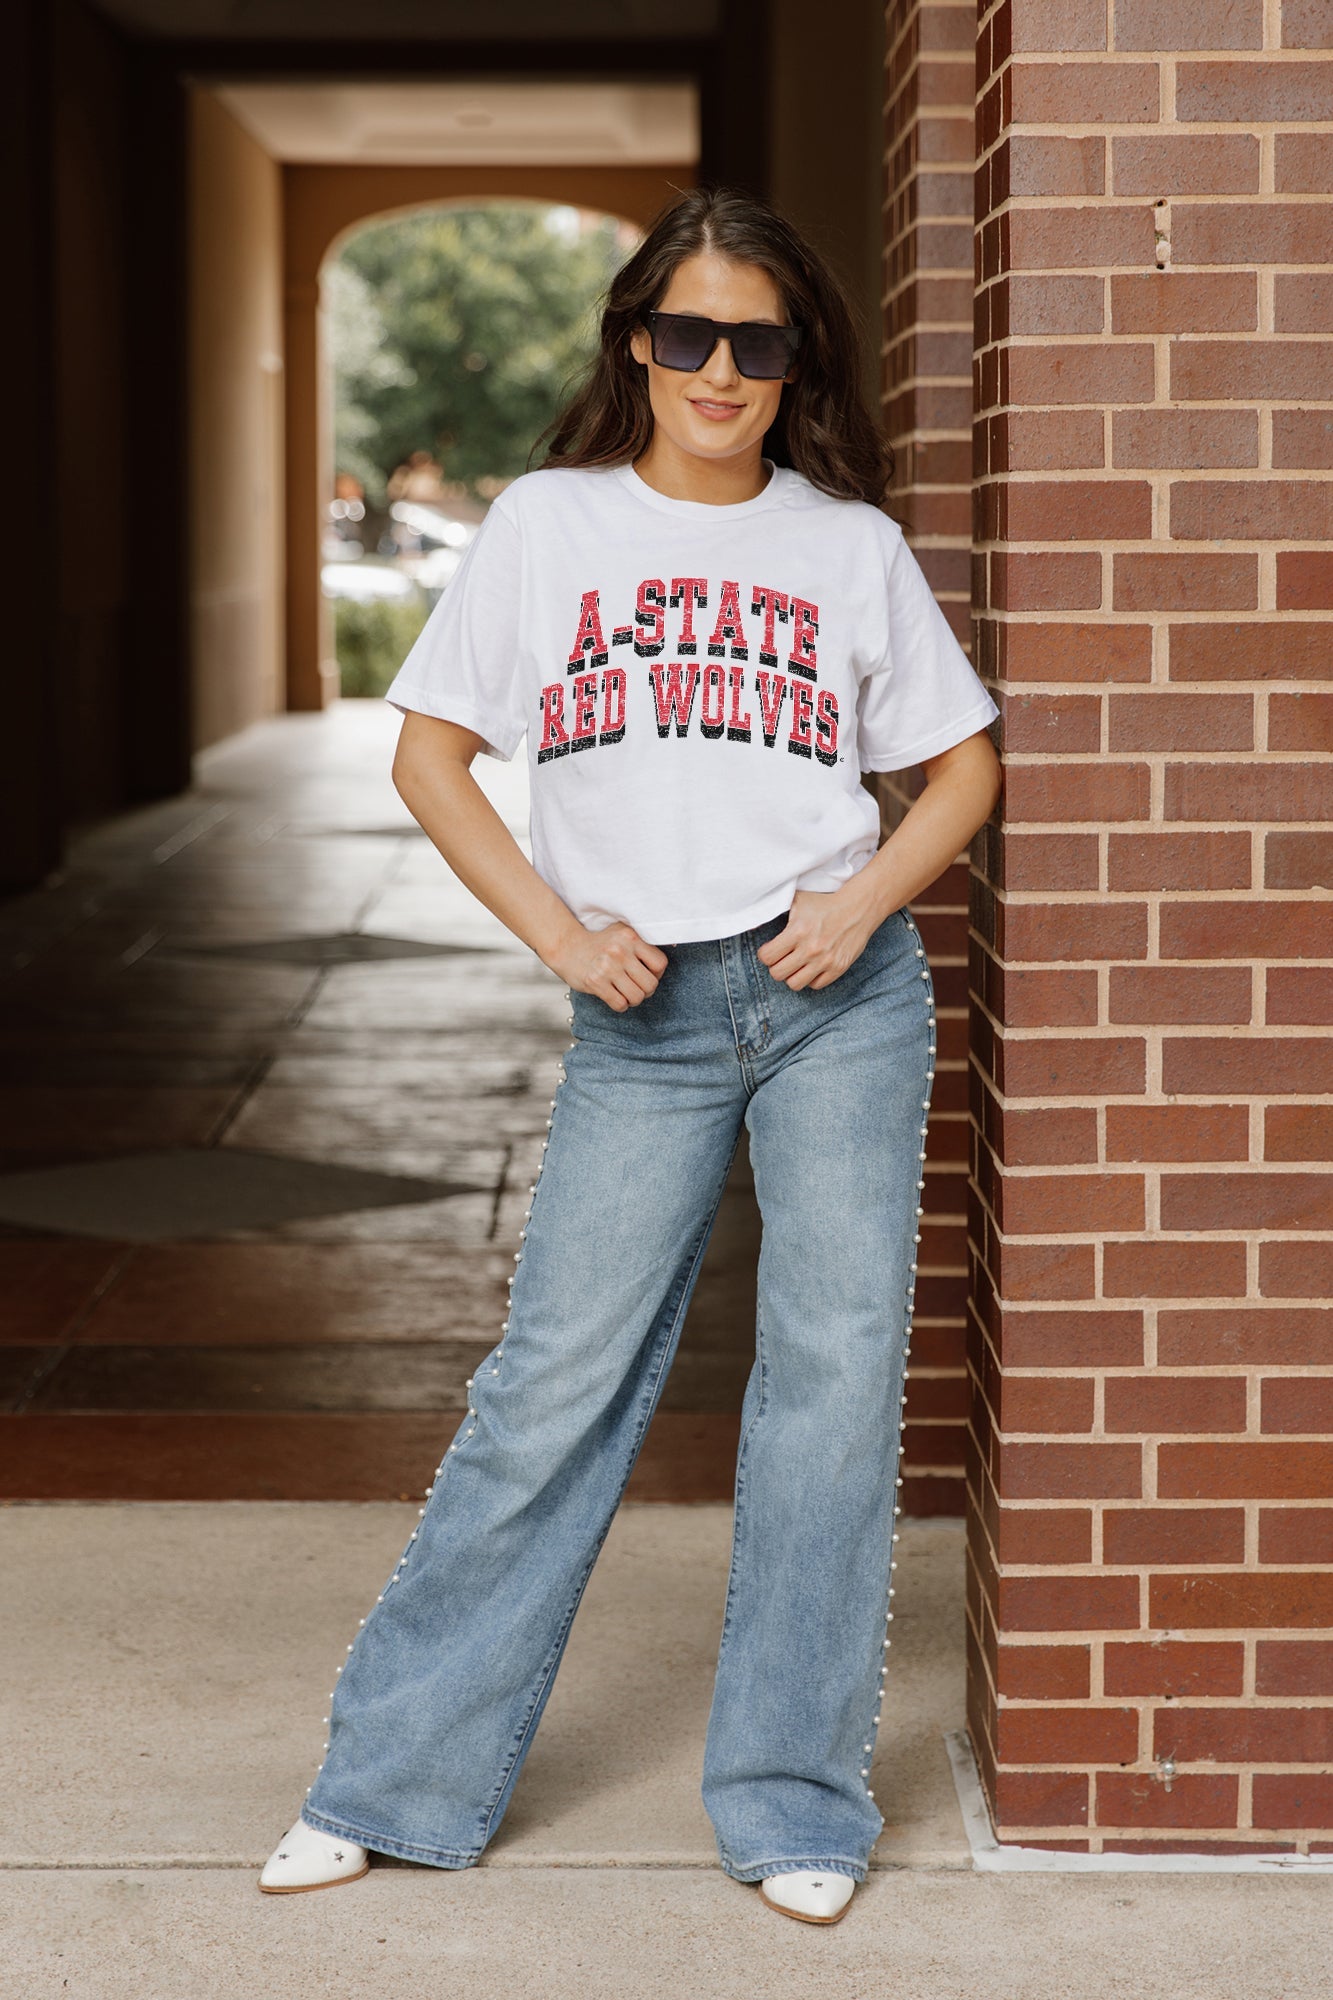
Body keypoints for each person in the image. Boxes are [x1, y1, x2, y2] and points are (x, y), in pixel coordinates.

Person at [259, 184, 1000, 1927]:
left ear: (791, 355)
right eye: (687, 336)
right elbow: (433, 761)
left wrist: (860, 904)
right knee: (549, 1390)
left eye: (754, 340)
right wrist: (562, 935)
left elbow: (958, 770)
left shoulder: (844, 544)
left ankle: (795, 1796)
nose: (719, 370)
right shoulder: (547, 525)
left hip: (838, 1001)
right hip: (640, 1019)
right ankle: (392, 1780)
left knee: (828, 1399)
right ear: (635, 346)